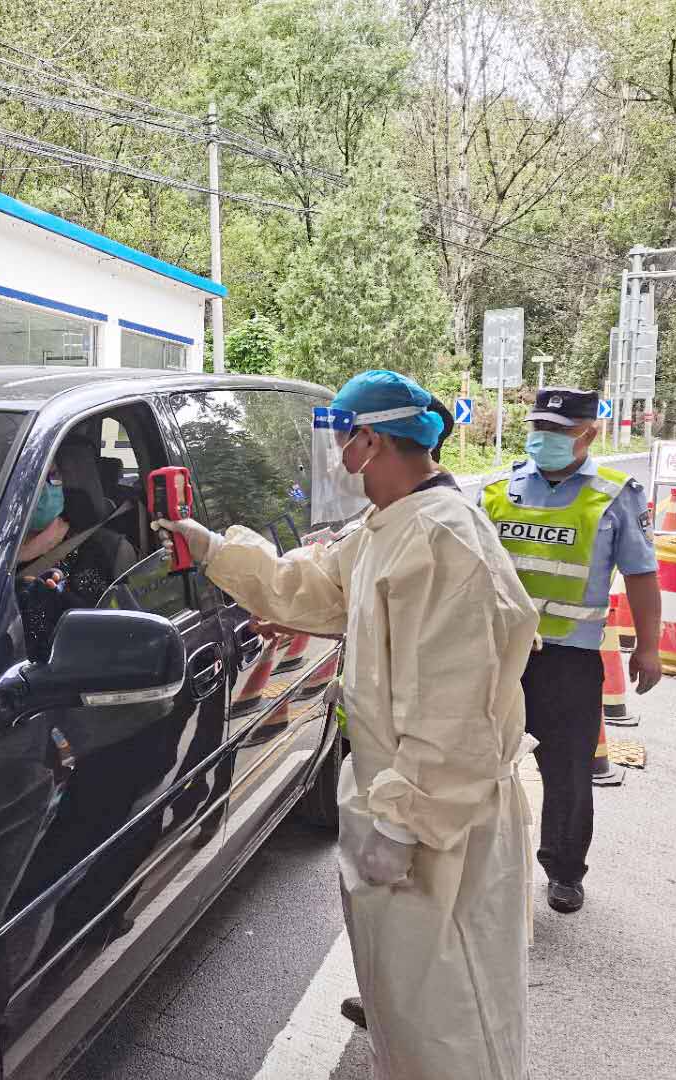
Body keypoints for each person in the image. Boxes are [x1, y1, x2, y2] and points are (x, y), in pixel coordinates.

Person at [155, 370, 539, 1080]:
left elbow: (458, 711)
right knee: (406, 1003)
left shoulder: (445, 544)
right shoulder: (392, 526)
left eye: (341, 439)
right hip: (401, 798)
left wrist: (405, 820)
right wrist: (212, 547)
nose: (337, 457)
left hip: (437, 822)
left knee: (452, 1016)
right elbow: (318, 588)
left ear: (368, 441)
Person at [481, 386, 661, 915]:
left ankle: (563, 871)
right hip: (498, 657)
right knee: (480, 761)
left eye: (560, 431)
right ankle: (484, 861)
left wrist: (649, 647)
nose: (546, 439)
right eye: (539, 428)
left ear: (590, 433)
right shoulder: (496, 490)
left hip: (568, 659)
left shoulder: (613, 494)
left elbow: (642, 575)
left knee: (567, 771)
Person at [16, 435, 137, 661]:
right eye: (36, 480)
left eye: (53, 476)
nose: (47, 487)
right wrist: (25, 555)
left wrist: (55, 598)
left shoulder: (93, 552)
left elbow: (100, 641)